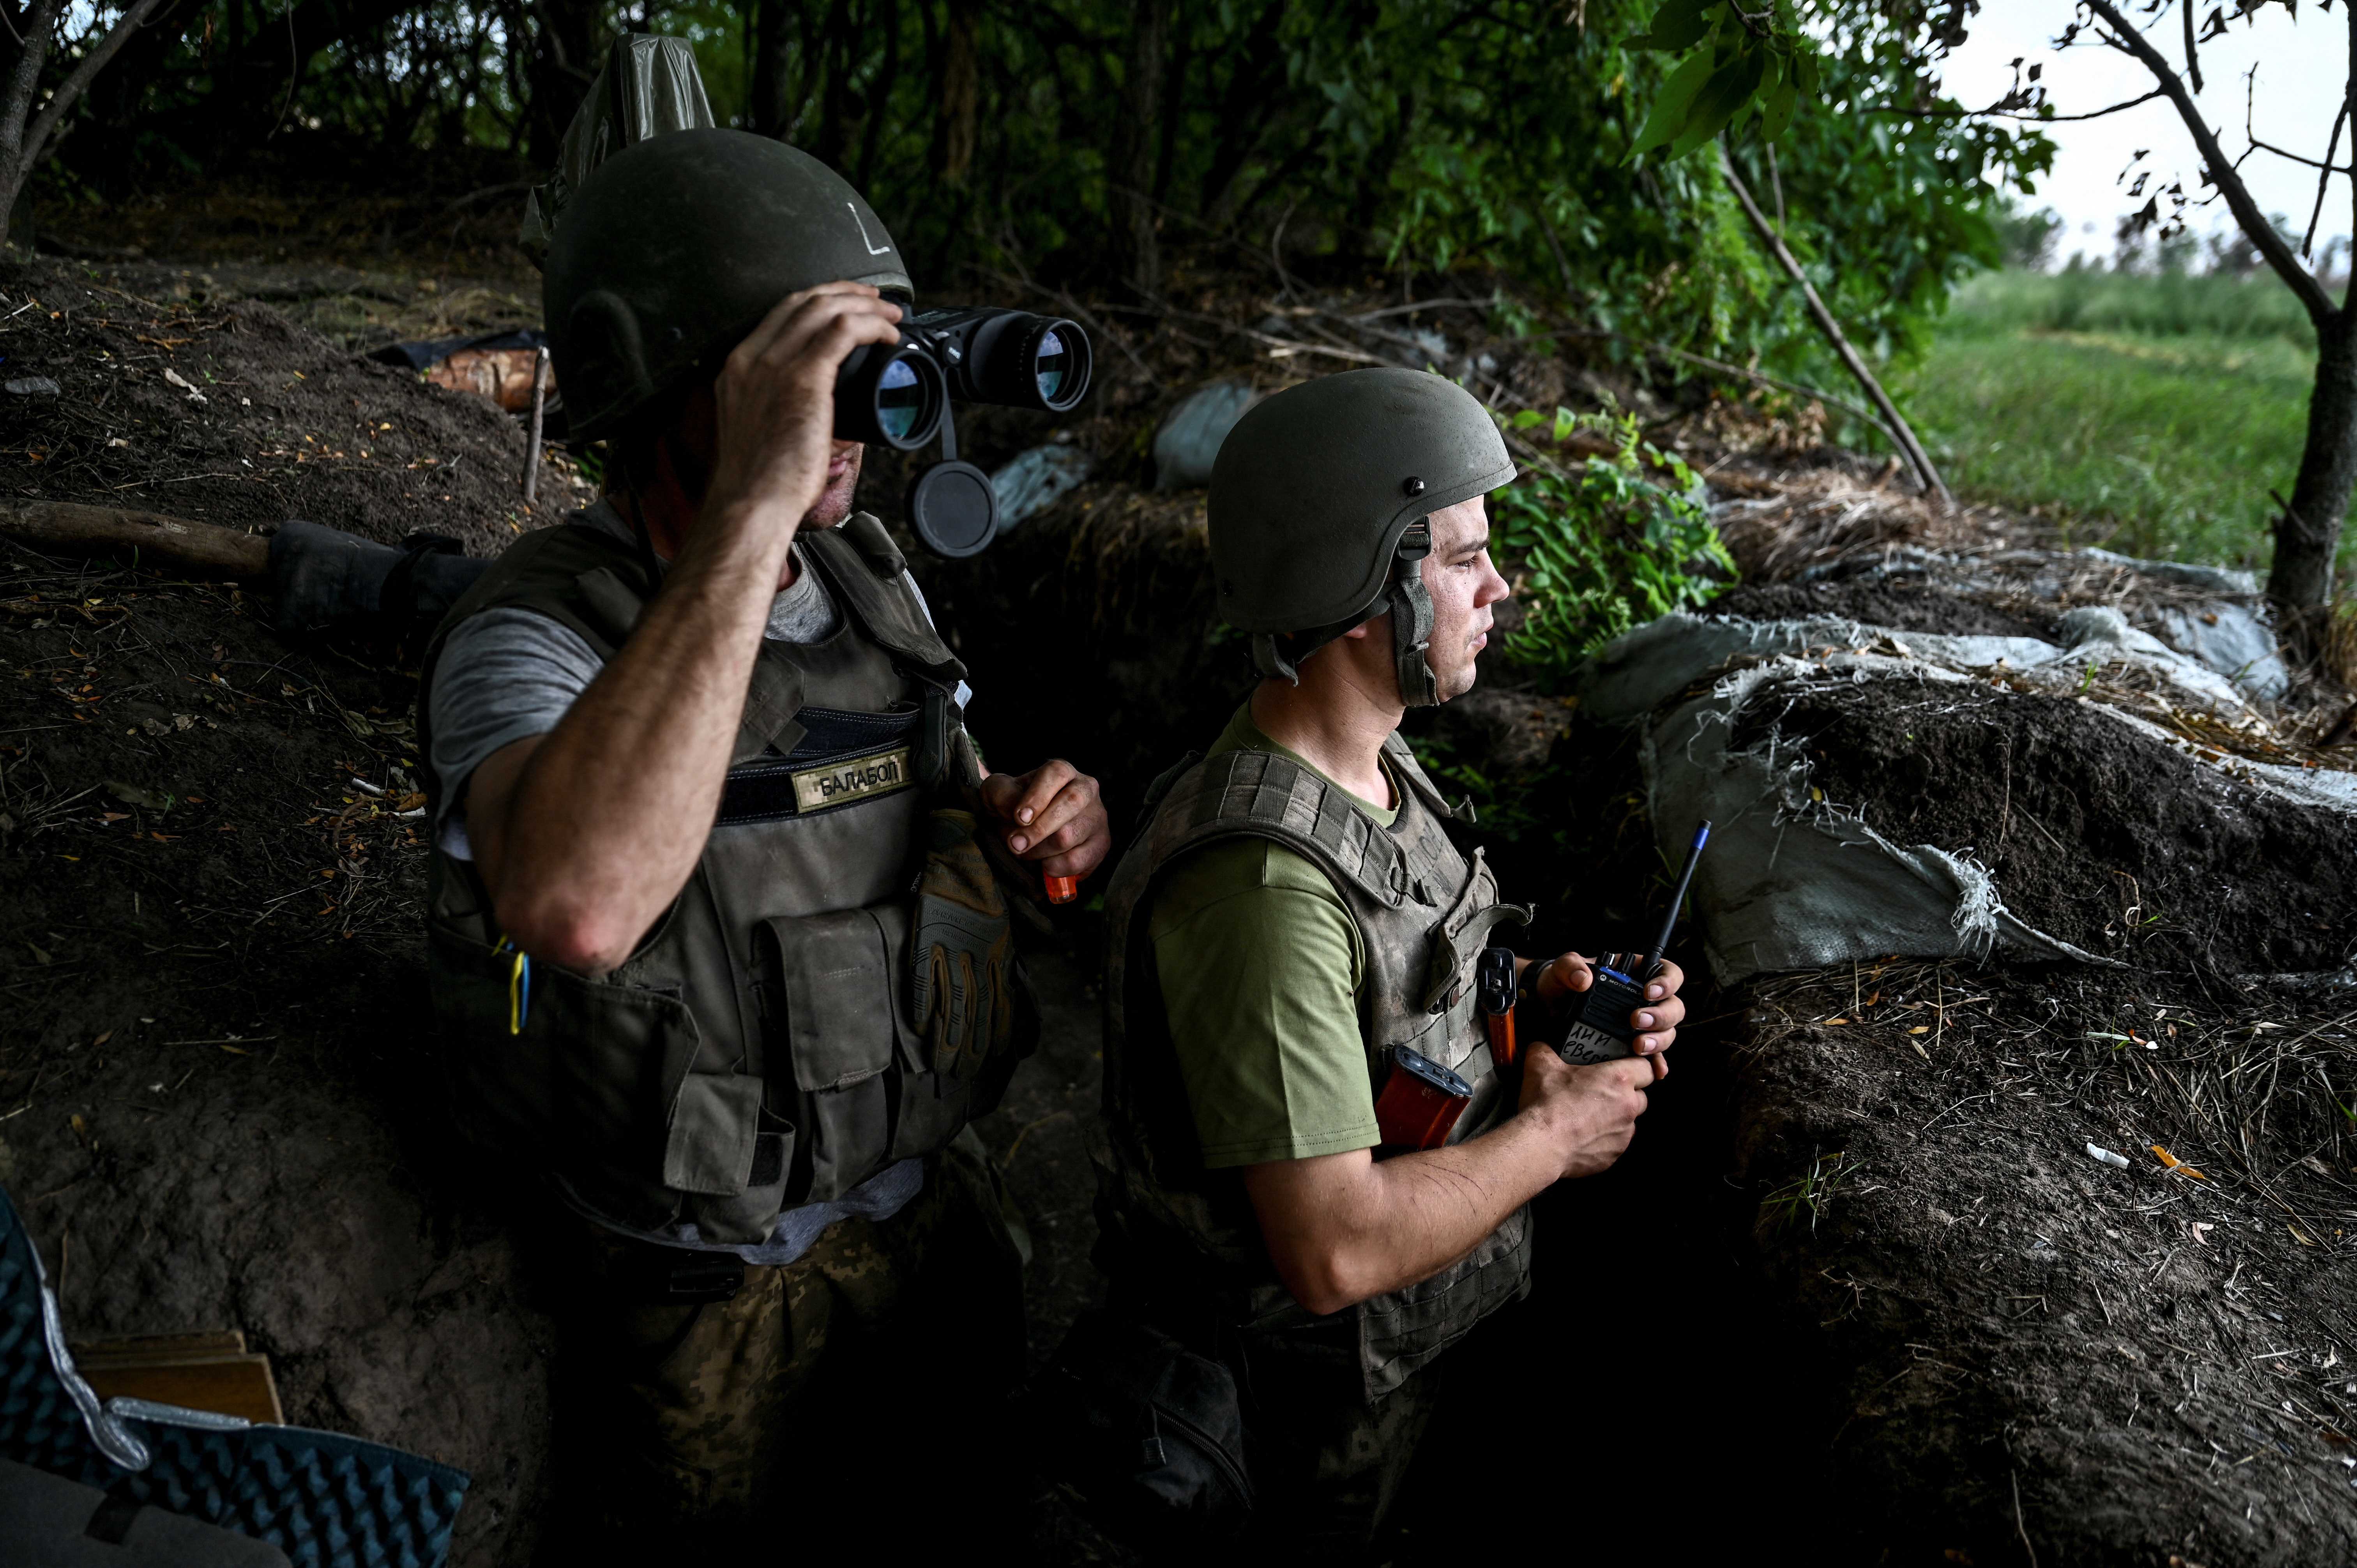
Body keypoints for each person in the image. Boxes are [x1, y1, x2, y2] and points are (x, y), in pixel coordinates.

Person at [414, 127, 1111, 1544]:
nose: (844, 425)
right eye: (803, 383)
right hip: (704, 1296)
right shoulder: (531, 634)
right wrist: (751, 501)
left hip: (930, 1220)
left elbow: (951, 797)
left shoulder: (868, 579)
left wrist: (1036, 813)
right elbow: (578, 910)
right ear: (676, 391)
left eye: (860, 379)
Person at [1092, 367, 1687, 1554]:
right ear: (1360, 588)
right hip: (1308, 1427)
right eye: (1463, 558)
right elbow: (1333, 1248)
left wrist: (1536, 1001)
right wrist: (1554, 1136)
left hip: (1409, 1368)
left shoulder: (1373, 764)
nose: (1499, 586)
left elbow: (1395, 1001)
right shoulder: (1261, 891)